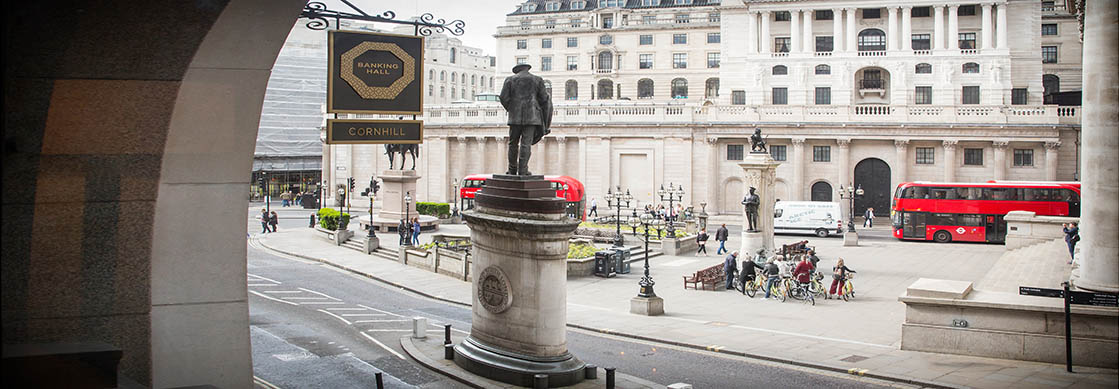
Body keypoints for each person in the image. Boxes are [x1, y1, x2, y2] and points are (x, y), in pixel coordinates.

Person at [499, 63, 552, 175]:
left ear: (517, 70)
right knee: (526, 144)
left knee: (513, 143)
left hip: (515, 116)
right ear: (528, 69)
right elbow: (544, 99)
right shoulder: (537, 80)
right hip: (532, 116)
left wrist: (511, 108)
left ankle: (512, 170)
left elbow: (503, 97)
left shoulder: (510, 80)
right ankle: (523, 170)